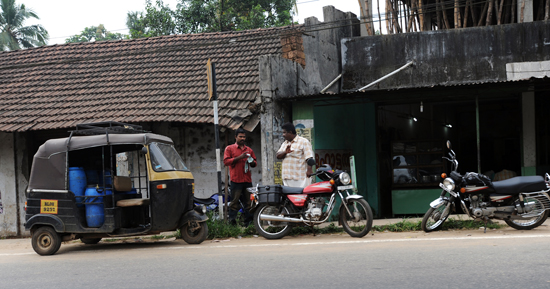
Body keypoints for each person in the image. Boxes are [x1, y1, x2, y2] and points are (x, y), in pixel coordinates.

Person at [223, 128, 257, 225]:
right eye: (240, 136)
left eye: (244, 137)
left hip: (247, 180)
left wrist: (252, 162)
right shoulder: (229, 149)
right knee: (234, 203)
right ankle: (232, 224)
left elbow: (255, 164)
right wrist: (240, 157)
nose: (242, 138)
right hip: (236, 180)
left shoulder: (249, 150)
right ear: (235, 137)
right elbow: (226, 162)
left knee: (249, 203)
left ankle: (249, 224)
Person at [276, 122, 314, 187]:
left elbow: (309, 157)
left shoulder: (303, 141)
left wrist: (309, 170)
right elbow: (278, 156)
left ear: (290, 132)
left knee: (301, 196)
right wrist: (285, 152)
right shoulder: (285, 143)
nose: (283, 135)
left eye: (284, 132)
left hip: (300, 178)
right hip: (287, 177)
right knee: (290, 197)